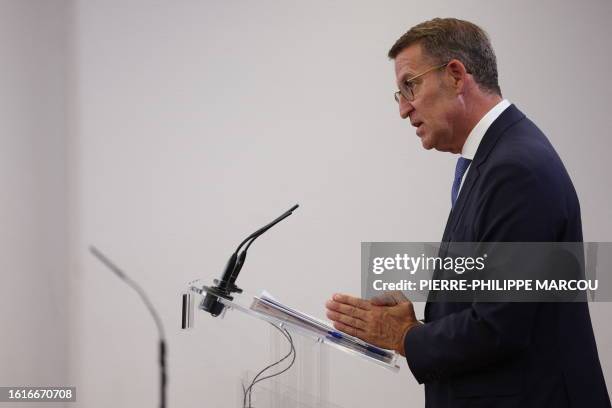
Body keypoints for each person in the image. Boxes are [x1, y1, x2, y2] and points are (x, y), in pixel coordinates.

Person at [325, 18, 610, 407]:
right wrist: (418, 326)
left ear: (456, 75)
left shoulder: (516, 168)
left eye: (411, 85)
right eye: (399, 94)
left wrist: (405, 336)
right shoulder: (493, 160)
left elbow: (499, 326)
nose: (404, 109)